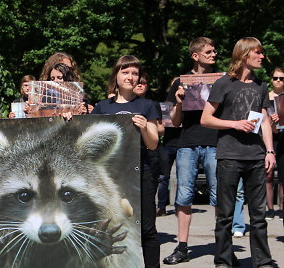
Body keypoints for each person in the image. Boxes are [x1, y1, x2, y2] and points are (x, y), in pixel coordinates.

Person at [201, 37, 274, 268]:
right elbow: (206, 119)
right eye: (258, 53)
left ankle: (262, 261)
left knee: (259, 216)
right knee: (225, 215)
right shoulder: (224, 83)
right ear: (244, 55)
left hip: (255, 156)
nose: (262, 57)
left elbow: (264, 122)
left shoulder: (261, 85)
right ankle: (223, 260)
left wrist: (269, 151)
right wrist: (233, 124)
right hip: (229, 156)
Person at [91, 55, 160, 268]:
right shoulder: (102, 107)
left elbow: (153, 143)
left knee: (147, 228)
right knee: (111, 227)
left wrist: (144, 127)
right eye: (125, 72)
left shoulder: (148, 105)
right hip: (111, 177)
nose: (130, 77)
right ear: (116, 75)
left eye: (135, 73)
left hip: (142, 172)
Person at [163, 37, 218, 265]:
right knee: (183, 196)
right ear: (195, 56)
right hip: (187, 144)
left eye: (215, 51)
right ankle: (182, 247)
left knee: (219, 196)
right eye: (209, 51)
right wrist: (178, 103)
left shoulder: (222, 81)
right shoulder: (180, 82)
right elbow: (173, 122)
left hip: (216, 142)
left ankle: (222, 246)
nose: (214, 54)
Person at [266, 67, 284, 220]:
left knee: (283, 175)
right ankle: (270, 208)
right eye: (275, 78)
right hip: (269, 137)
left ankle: (282, 208)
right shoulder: (267, 96)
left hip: (283, 137)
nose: (278, 81)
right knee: (268, 173)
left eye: (281, 78)